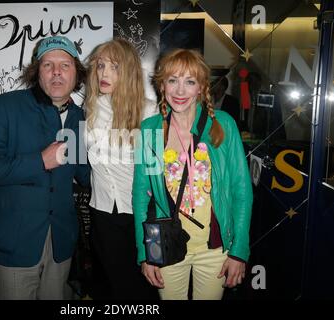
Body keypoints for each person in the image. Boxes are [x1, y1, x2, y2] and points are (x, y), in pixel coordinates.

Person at [0, 36, 90, 300]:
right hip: (14, 243)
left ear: (76, 74)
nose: (57, 72)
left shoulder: (80, 117)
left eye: (65, 65)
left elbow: (83, 175)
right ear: (37, 72)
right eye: (48, 65)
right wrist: (39, 161)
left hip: (61, 242)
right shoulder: (5, 107)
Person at [132, 49, 253, 300]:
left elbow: (241, 191)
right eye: (172, 80)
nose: (179, 91)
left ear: (201, 88)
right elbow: (142, 197)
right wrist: (147, 254)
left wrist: (239, 251)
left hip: (216, 249)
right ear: (162, 84)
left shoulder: (223, 124)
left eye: (189, 81)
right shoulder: (150, 129)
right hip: (167, 244)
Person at [84, 38, 158, 299]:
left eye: (114, 67)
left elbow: (155, 170)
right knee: (111, 286)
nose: (104, 73)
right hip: (102, 211)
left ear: (127, 71)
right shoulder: (91, 107)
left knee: (140, 287)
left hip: (139, 214)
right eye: (100, 66)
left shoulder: (149, 112)